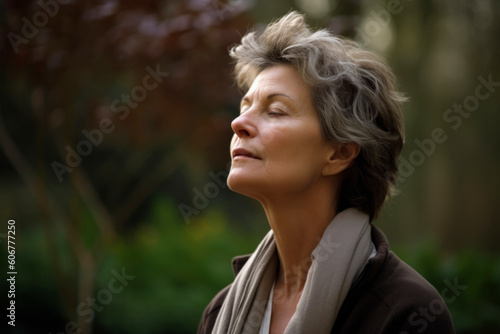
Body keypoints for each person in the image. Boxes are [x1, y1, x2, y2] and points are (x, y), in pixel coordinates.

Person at [197, 11, 455, 334]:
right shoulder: (221, 313)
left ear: (339, 153)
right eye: (244, 107)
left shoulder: (405, 314)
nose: (239, 123)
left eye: (275, 111)